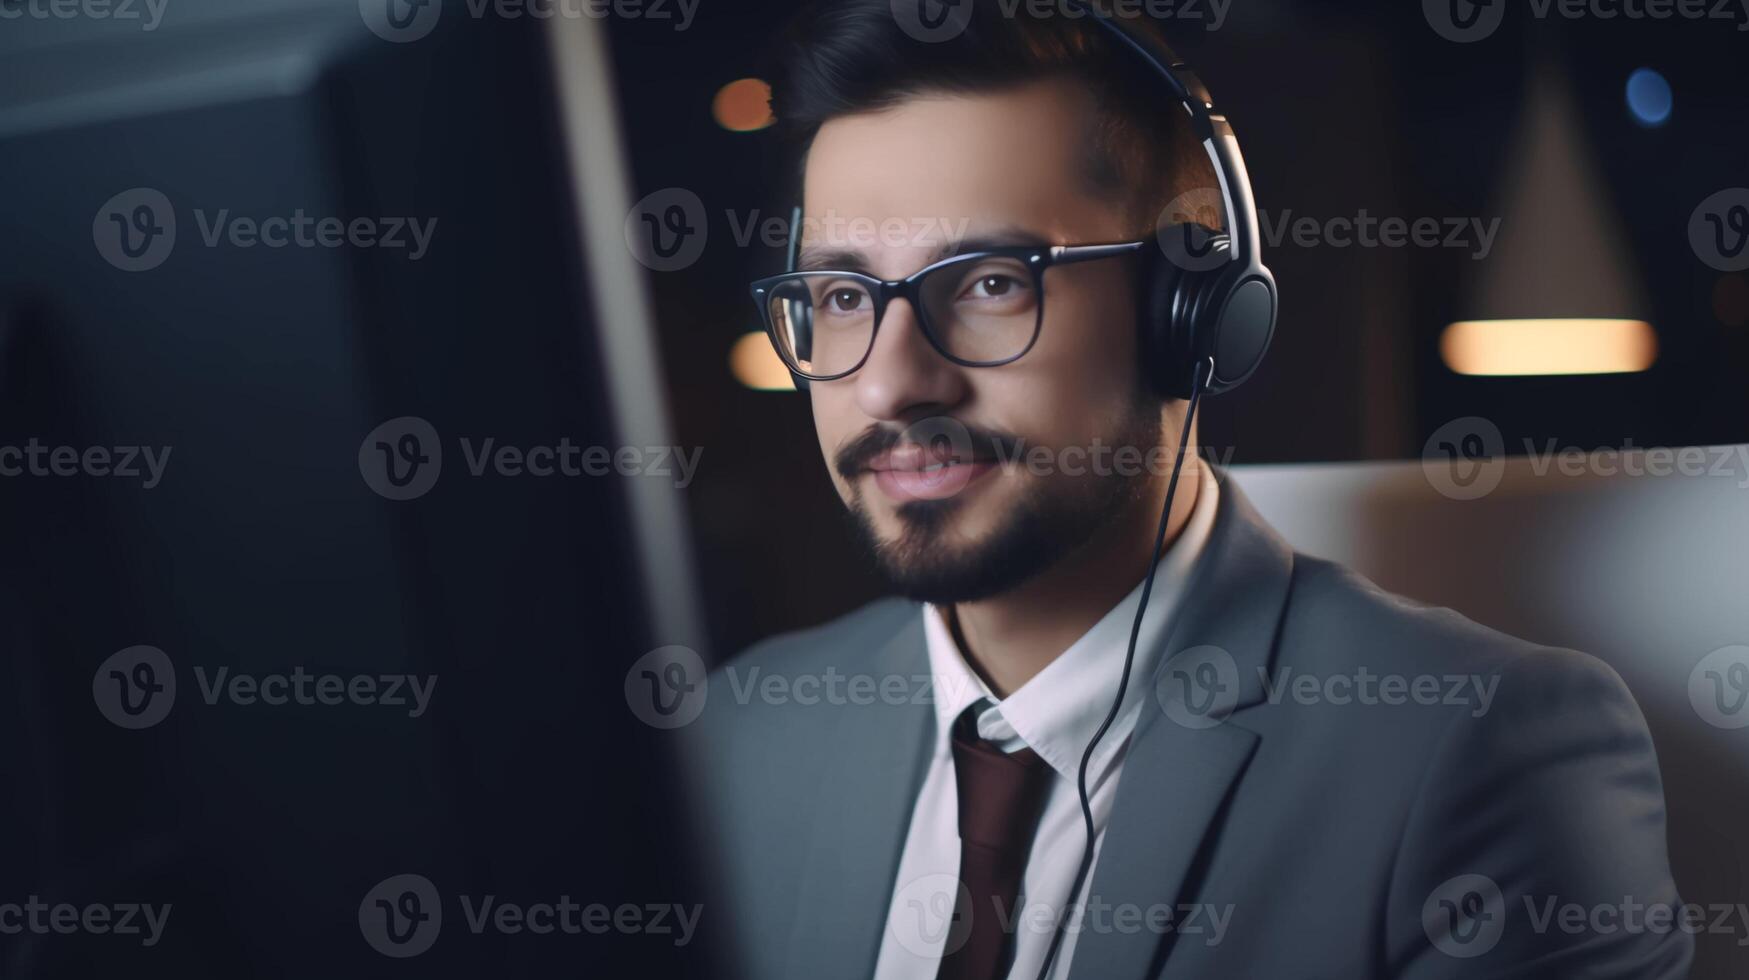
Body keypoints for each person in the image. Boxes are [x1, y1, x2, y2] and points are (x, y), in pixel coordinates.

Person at [676, 3, 1690, 978]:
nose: (892, 382)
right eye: (844, 296)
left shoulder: (1483, 752)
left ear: (1189, 308)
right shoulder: (742, 737)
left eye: (990, 281)